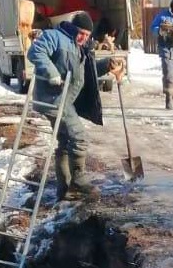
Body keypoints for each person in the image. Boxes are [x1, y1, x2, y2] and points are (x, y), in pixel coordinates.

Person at [27, 11, 124, 201]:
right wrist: (52, 73)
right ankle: (78, 180)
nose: (84, 38)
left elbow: (86, 71)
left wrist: (107, 65)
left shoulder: (79, 46)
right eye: (81, 33)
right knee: (79, 137)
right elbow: (35, 52)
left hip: (64, 100)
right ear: (73, 28)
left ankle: (64, 190)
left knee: (65, 143)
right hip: (52, 99)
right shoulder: (55, 36)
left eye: (88, 35)